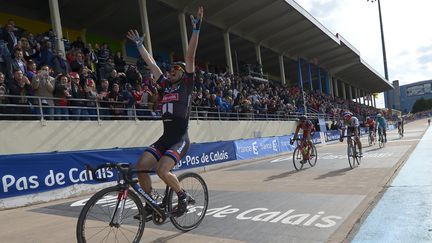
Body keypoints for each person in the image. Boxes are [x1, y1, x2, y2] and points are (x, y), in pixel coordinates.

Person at [127, 6, 203, 216]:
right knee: (141, 166)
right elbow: (151, 64)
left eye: (174, 70)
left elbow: (190, 58)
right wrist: (140, 46)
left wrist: (195, 31)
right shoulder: (165, 86)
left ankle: (183, 196)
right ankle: (151, 203)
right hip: (165, 138)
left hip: (180, 139)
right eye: (169, 70)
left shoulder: (186, 84)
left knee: (162, 170)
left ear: (182, 73)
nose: (170, 73)